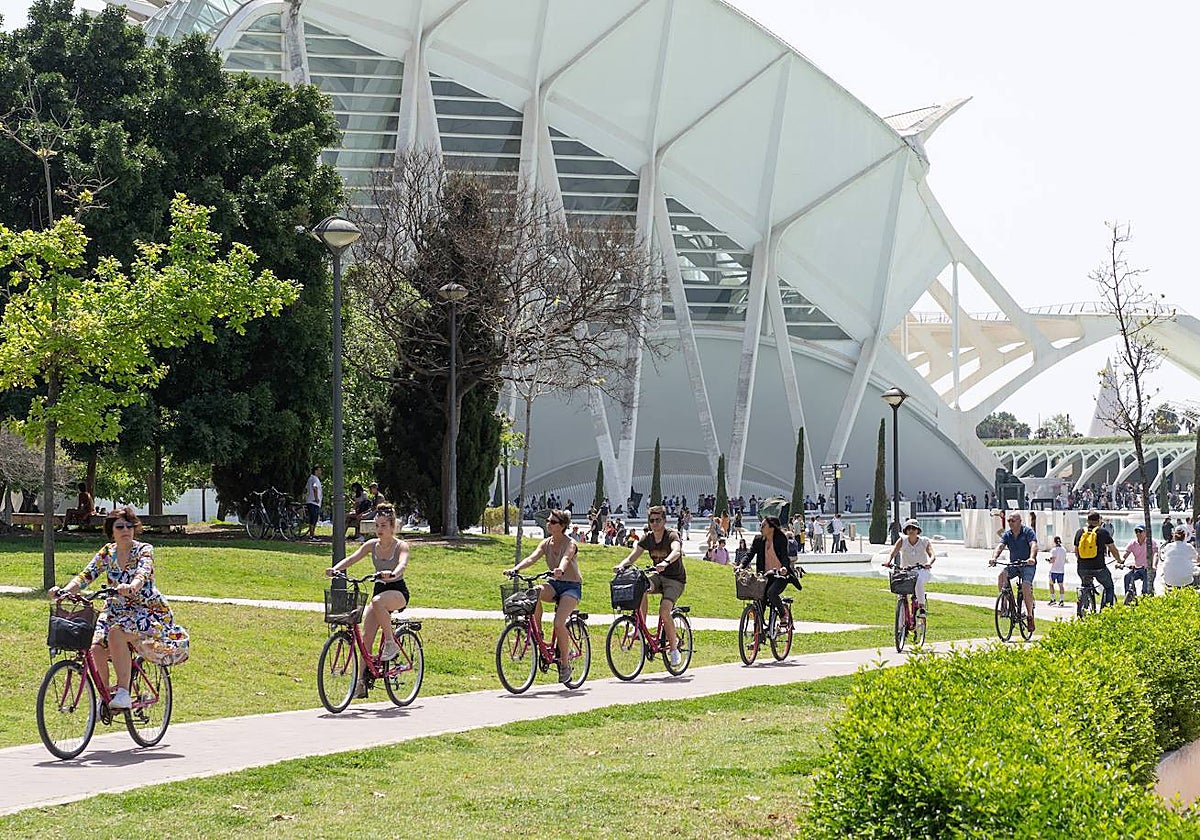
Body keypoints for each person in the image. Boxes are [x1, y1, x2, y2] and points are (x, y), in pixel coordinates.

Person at [49, 507, 189, 710]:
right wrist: (65, 591)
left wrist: (132, 586)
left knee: (116, 634)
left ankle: (123, 692)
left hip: (147, 610)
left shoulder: (144, 550)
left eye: (130, 525)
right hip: (115, 610)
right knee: (95, 646)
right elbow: (86, 575)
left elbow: (143, 572)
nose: (126, 530)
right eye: (120, 526)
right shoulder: (108, 552)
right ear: (111, 530)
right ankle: (105, 698)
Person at [326, 503, 410, 696]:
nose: (379, 530)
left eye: (383, 526)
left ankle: (391, 642)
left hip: (397, 591)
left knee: (378, 602)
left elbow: (402, 564)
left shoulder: (401, 546)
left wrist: (393, 573)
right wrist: (336, 569)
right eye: (376, 526)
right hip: (379, 591)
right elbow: (352, 559)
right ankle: (361, 682)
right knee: (365, 639)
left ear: (392, 527)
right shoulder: (371, 545)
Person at [509, 508, 582, 684]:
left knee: (558, 623)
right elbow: (532, 558)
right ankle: (538, 632)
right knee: (535, 592)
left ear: (562, 526)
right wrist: (516, 569)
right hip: (554, 585)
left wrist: (561, 569)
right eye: (548, 521)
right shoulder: (546, 543)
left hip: (571, 587)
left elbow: (566, 558)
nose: (549, 524)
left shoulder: (570, 543)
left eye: (553, 522)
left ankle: (565, 665)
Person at [614, 504, 686, 667]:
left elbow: (676, 550)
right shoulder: (648, 538)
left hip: (675, 580)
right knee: (640, 587)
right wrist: (621, 565)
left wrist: (666, 562)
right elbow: (633, 556)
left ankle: (674, 649)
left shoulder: (671, 535)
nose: (654, 523)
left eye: (657, 520)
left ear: (664, 520)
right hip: (659, 576)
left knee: (664, 611)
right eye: (651, 520)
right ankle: (641, 627)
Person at [739, 516, 802, 635]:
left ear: (771, 528)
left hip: (780, 576)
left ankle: (783, 615)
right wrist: (741, 566)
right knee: (759, 602)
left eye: (763, 526)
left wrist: (784, 567)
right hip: (765, 576)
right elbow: (750, 554)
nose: (761, 528)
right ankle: (758, 637)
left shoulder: (781, 539)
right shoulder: (758, 540)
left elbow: (784, 556)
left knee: (771, 593)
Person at [990, 512, 1039, 633]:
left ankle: (1029, 616)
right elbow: (1000, 546)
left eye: (1013, 521)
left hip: (1027, 565)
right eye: (1009, 521)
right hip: (1014, 564)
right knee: (1002, 576)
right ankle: (1005, 605)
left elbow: (1034, 545)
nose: (1010, 523)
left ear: (1020, 521)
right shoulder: (1008, 534)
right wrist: (994, 557)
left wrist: (1032, 558)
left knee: (1026, 586)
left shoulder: (1028, 532)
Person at [884, 518, 935, 614]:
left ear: (918, 531)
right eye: (909, 529)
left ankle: (922, 607)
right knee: (898, 582)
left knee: (918, 580)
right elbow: (892, 553)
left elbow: (932, 555)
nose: (911, 531)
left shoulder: (924, 541)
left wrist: (929, 563)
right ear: (906, 531)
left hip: (922, 571)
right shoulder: (902, 540)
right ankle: (902, 613)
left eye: (913, 528)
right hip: (906, 571)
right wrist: (887, 561)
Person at [1073, 510, 1119, 610]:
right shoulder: (1102, 532)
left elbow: (1076, 551)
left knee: (1086, 585)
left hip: (1082, 568)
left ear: (1087, 521)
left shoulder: (1080, 532)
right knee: (1108, 587)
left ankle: (1085, 604)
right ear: (1099, 521)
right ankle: (1106, 611)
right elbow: (1113, 549)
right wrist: (1119, 560)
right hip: (1099, 567)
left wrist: (1082, 561)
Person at [1120, 524, 1152, 600]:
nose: (1138, 533)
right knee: (1127, 577)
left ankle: (1146, 601)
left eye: (1140, 531)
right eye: (1136, 531)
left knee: (1145, 589)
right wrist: (1120, 562)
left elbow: (1156, 554)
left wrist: (1153, 566)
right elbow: (1125, 554)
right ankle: (1129, 598)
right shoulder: (1133, 543)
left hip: (1147, 569)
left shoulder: (1150, 543)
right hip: (1137, 569)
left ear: (1145, 533)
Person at [1045, 535, 1068, 606]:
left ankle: (1053, 599)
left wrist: (1049, 560)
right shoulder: (1064, 550)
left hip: (1054, 570)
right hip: (1061, 570)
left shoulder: (1054, 550)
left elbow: (1053, 559)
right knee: (1061, 585)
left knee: (1051, 584)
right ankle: (1061, 600)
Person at [305, 465, 323, 540]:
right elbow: (315, 488)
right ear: (315, 471)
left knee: (312, 519)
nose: (320, 472)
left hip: (310, 501)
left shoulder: (310, 478)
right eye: (319, 470)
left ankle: (311, 535)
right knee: (314, 519)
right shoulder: (315, 479)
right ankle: (312, 536)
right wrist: (316, 498)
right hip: (314, 502)